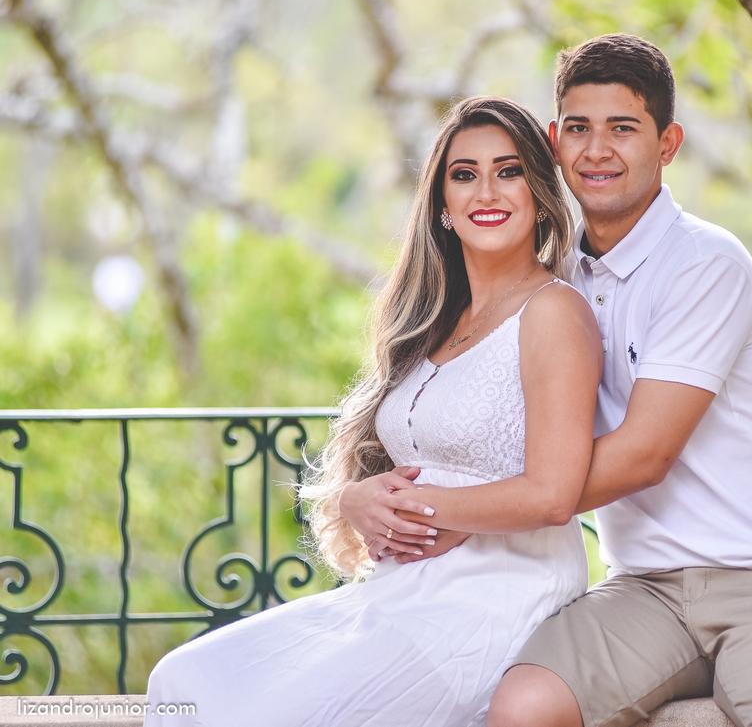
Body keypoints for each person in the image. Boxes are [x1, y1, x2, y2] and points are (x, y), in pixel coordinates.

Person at [366, 34, 752, 727]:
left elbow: (645, 453)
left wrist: (444, 508)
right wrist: (368, 498)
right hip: (643, 588)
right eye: (578, 128)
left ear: (667, 144)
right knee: (522, 707)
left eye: (623, 129)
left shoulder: (706, 265)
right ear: (553, 141)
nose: (596, 150)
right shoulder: (554, 288)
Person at [144, 96, 602, 727]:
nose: (486, 190)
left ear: (539, 193)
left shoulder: (553, 312)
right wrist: (354, 500)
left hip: (492, 605)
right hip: (399, 596)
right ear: (442, 204)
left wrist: (420, 508)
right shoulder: (435, 321)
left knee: (269, 714)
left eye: (509, 170)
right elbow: (405, 461)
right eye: (464, 174)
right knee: (181, 680)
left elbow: (553, 495)